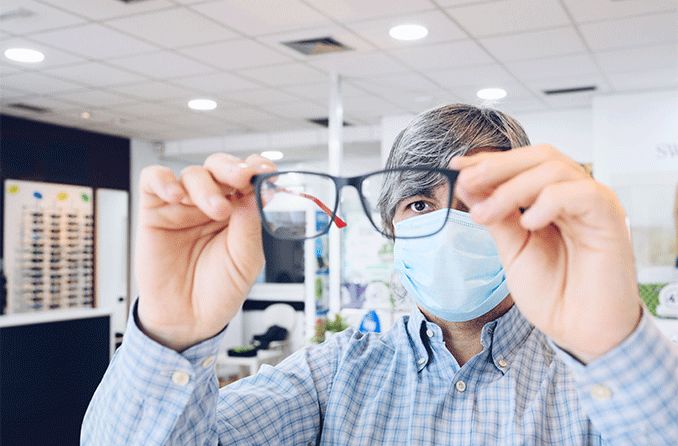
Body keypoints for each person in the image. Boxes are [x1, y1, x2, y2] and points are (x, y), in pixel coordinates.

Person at [82, 105, 678, 445]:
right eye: (420, 203)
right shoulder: (333, 375)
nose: (449, 223)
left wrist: (611, 343)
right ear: (392, 227)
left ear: (526, 217)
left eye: (479, 200)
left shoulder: (600, 385)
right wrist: (170, 333)